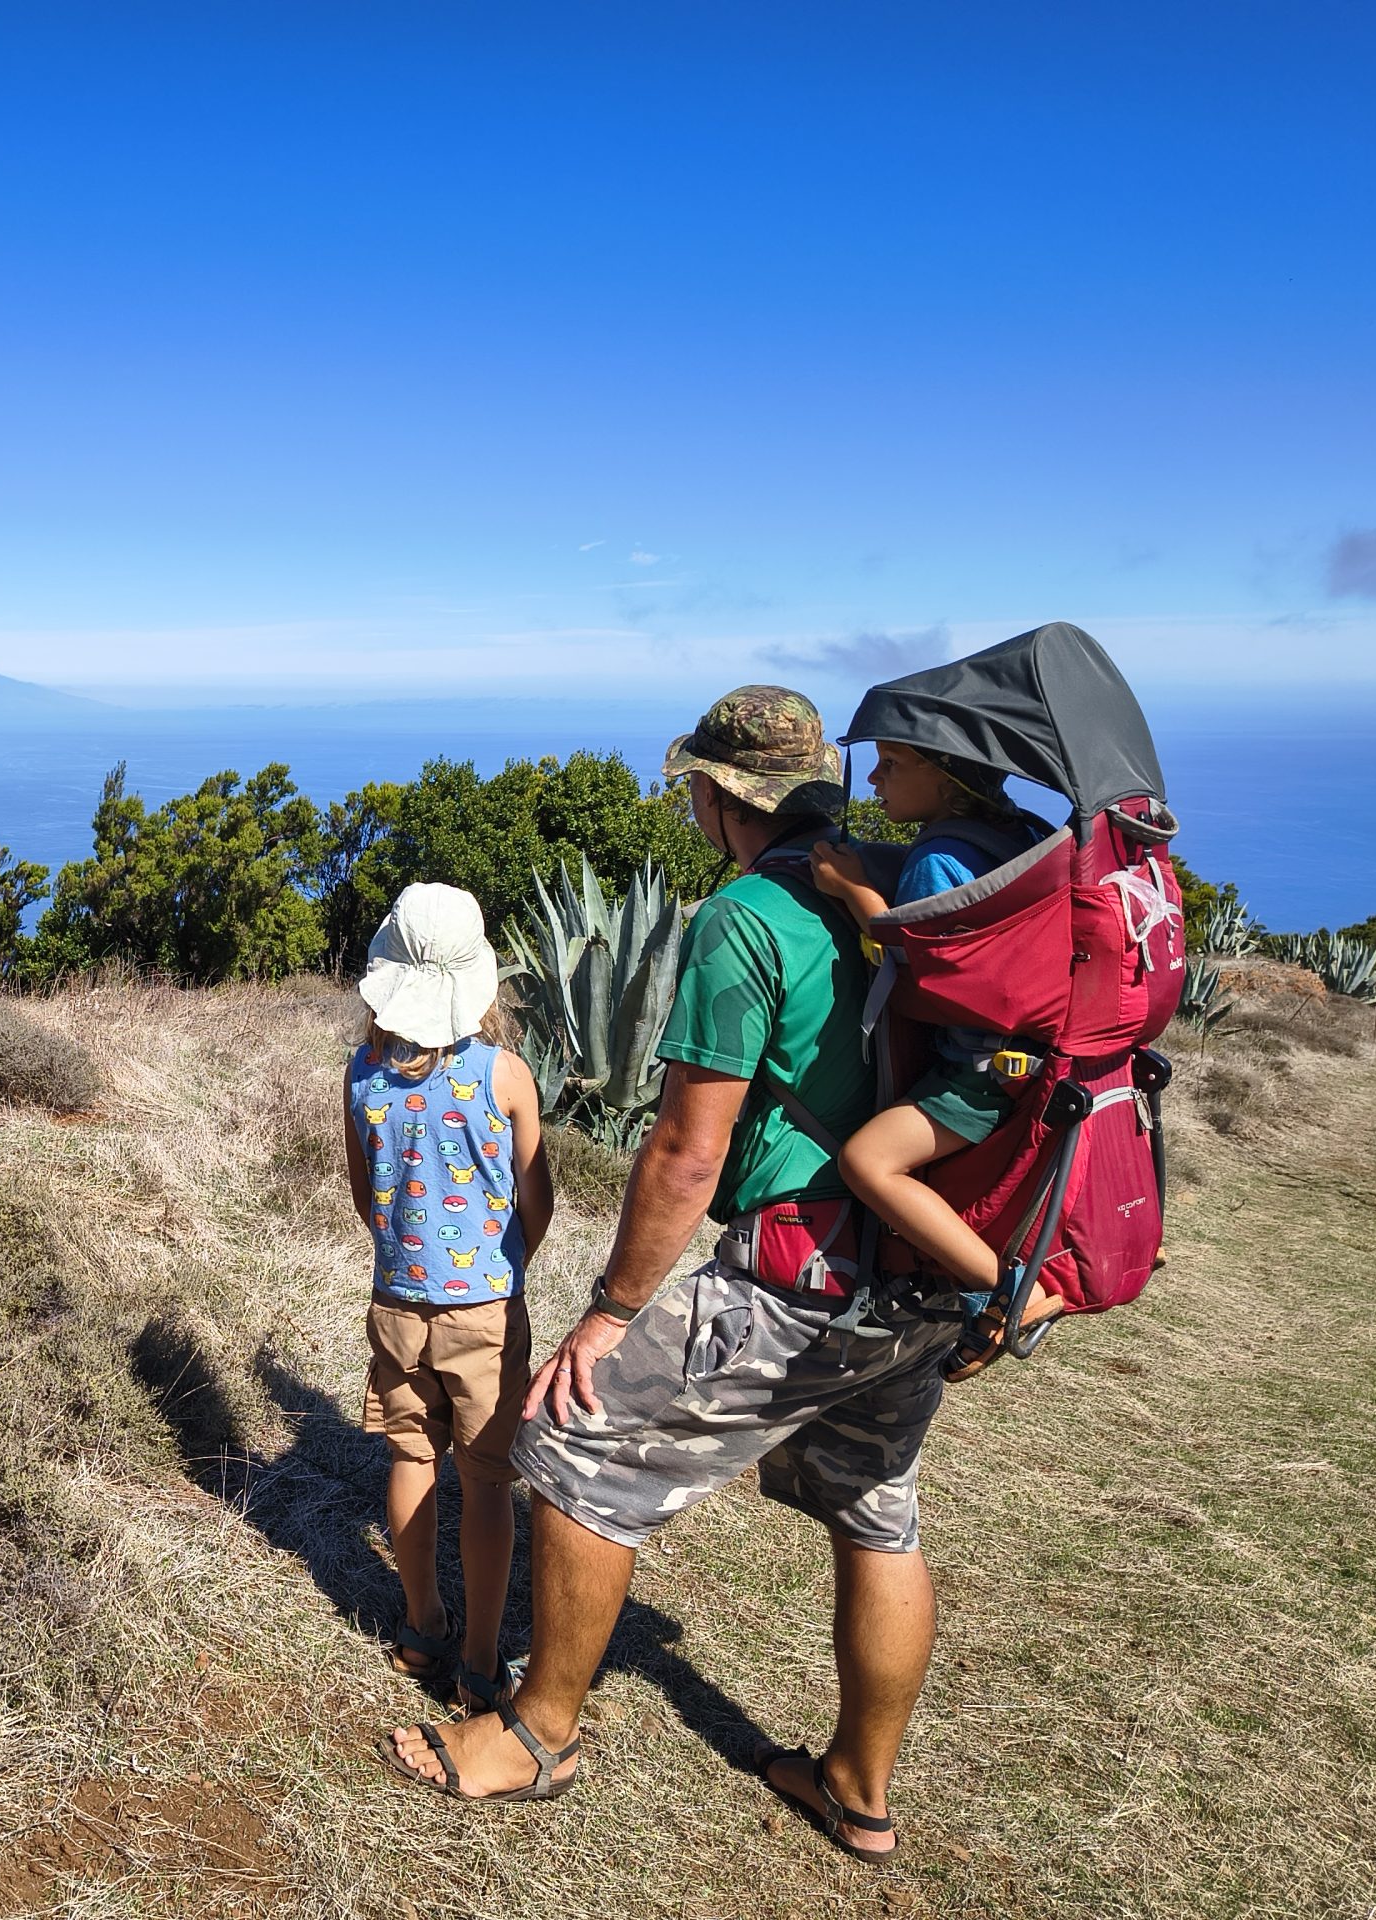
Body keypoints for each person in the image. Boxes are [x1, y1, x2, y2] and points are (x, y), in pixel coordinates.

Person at [383, 687, 964, 1857]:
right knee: (877, 1512)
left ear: (716, 795)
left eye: (696, 785)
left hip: (803, 1268)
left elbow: (687, 1152)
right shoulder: (893, 888)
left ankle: (537, 1734)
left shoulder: (745, 916)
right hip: (921, 1264)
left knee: (572, 1442)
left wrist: (611, 1311)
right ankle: (856, 1788)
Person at [344, 882, 553, 1713]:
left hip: (396, 1303)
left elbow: (364, 1197)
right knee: (488, 1482)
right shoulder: (506, 1076)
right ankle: (479, 1660)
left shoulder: (362, 1075)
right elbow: (537, 1202)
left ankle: (422, 1624)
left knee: (410, 1459)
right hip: (487, 1315)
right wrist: (504, 1267)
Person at [806, 742, 1057, 1373]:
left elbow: (920, 973)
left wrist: (854, 891)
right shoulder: (1031, 834)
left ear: (946, 778)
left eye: (892, 763)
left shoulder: (936, 860)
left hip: (979, 1074)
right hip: (1042, 1057)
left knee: (868, 1162)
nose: (873, 777)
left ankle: (1007, 1291)